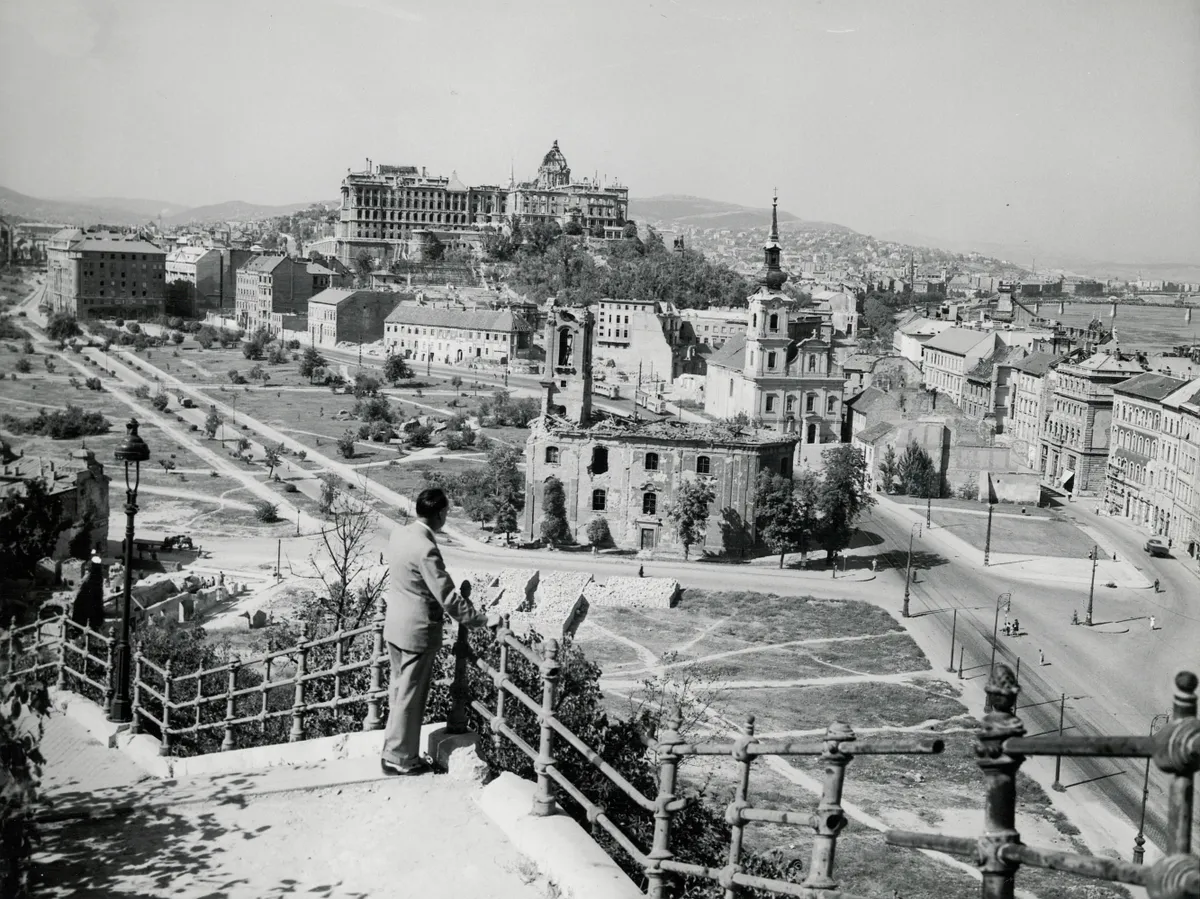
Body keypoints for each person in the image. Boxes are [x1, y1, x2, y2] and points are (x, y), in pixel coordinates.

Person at [381, 488, 499, 776]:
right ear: (440, 514)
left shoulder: (400, 534)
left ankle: (392, 751)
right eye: (445, 513)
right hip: (417, 631)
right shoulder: (426, 548)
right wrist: (481, 620)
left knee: (398, 692)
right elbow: (447, 597)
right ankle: (401, 759)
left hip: (395, 626)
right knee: (411, 697)